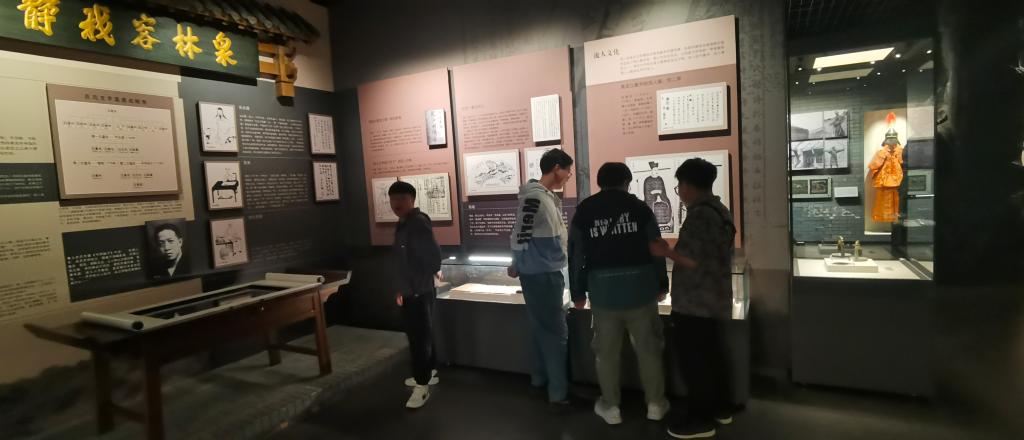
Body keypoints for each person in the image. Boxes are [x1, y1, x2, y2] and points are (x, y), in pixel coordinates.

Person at [568, 162, 671, 425]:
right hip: (641, 289)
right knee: (648, 350)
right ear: (626, 182)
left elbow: (576, 254)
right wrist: (662, 284)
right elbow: (656, 248)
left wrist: (578, 291)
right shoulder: (640, 208)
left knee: (606, 354)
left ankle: (611, 407)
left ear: (600, 182)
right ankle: (655, 404)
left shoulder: (585, 210)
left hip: (604, 292)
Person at [655, 158, 737, 439]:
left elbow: (692, 260)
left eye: (679, 186)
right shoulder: (720, 210)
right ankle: (721, 409)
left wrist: (665, 252)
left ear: (687, 186)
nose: (680, 191)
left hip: (694, 303)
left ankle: (700, 421)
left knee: (695, 363)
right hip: (715, 298)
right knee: (713, 357)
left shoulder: (700, 216)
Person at [508, 148, 574, 406]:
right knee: (555, 333)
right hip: (543, 274)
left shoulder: (538, 196)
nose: (569, 175)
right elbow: (522, 235)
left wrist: (518, 263)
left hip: (537, 272)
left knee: (542, 329)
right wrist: (519, 262)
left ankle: (539, 380)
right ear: (557, 168)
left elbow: (520, 234)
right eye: (568, 170)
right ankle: (558, 393)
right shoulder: (537, 198)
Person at [389, 181, 443, 409]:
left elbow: (433, 256)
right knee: (423, 334)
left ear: (412, 200)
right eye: (393, 199)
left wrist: (423, 277)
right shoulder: (404, 223)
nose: (397, 203)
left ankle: (422, 387)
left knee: (418, 339)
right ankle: (429, 373)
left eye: (402, 198)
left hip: (419, 290)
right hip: (412, 289)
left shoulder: (417, 222)